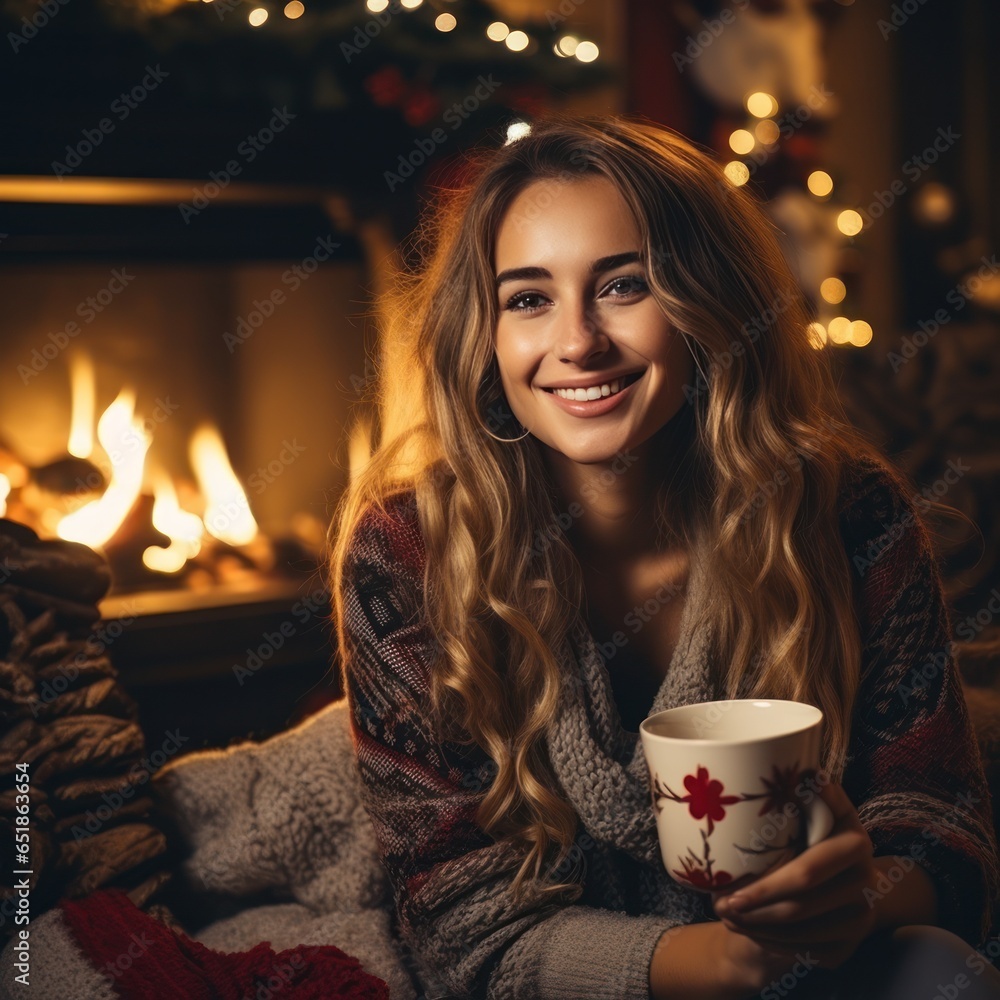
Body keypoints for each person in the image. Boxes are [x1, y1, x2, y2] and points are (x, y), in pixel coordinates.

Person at [327, 116, 1000, 999]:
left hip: (827, 969)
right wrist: (725, 965)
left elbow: (938, 815)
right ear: (484, 335)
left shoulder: (843, 512)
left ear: (708, 303)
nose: (577, 343)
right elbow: (460, 922)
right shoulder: (407, 552)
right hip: (585, 980)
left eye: (624, 285)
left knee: (947, 975)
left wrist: (854, 901)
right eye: (528, 298)